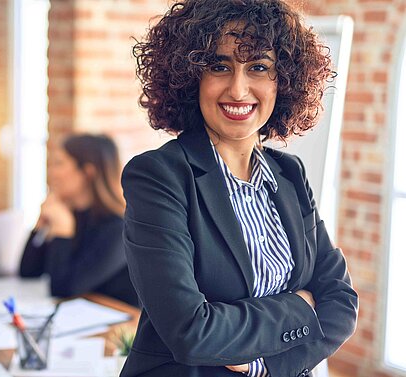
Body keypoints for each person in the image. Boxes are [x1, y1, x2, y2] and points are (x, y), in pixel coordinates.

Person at [121, 1, 358, 376]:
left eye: (259, 67)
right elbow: (191, 332)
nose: (238, 88)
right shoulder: (158, 177)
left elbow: (341, 303)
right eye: (219, 66)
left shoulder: (290, 174)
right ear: (190, 76)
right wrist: (301, 307)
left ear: (284, 81)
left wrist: (260, 363)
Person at [19, 134, 138, 307]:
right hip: (81, 318)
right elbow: (28, 272)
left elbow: (63, 290)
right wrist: (40, 226)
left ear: (88, 172)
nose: (51, 172)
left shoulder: (118, 227)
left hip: (118, 327)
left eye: (59, 164)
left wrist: (63, 232)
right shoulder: (71, 214)